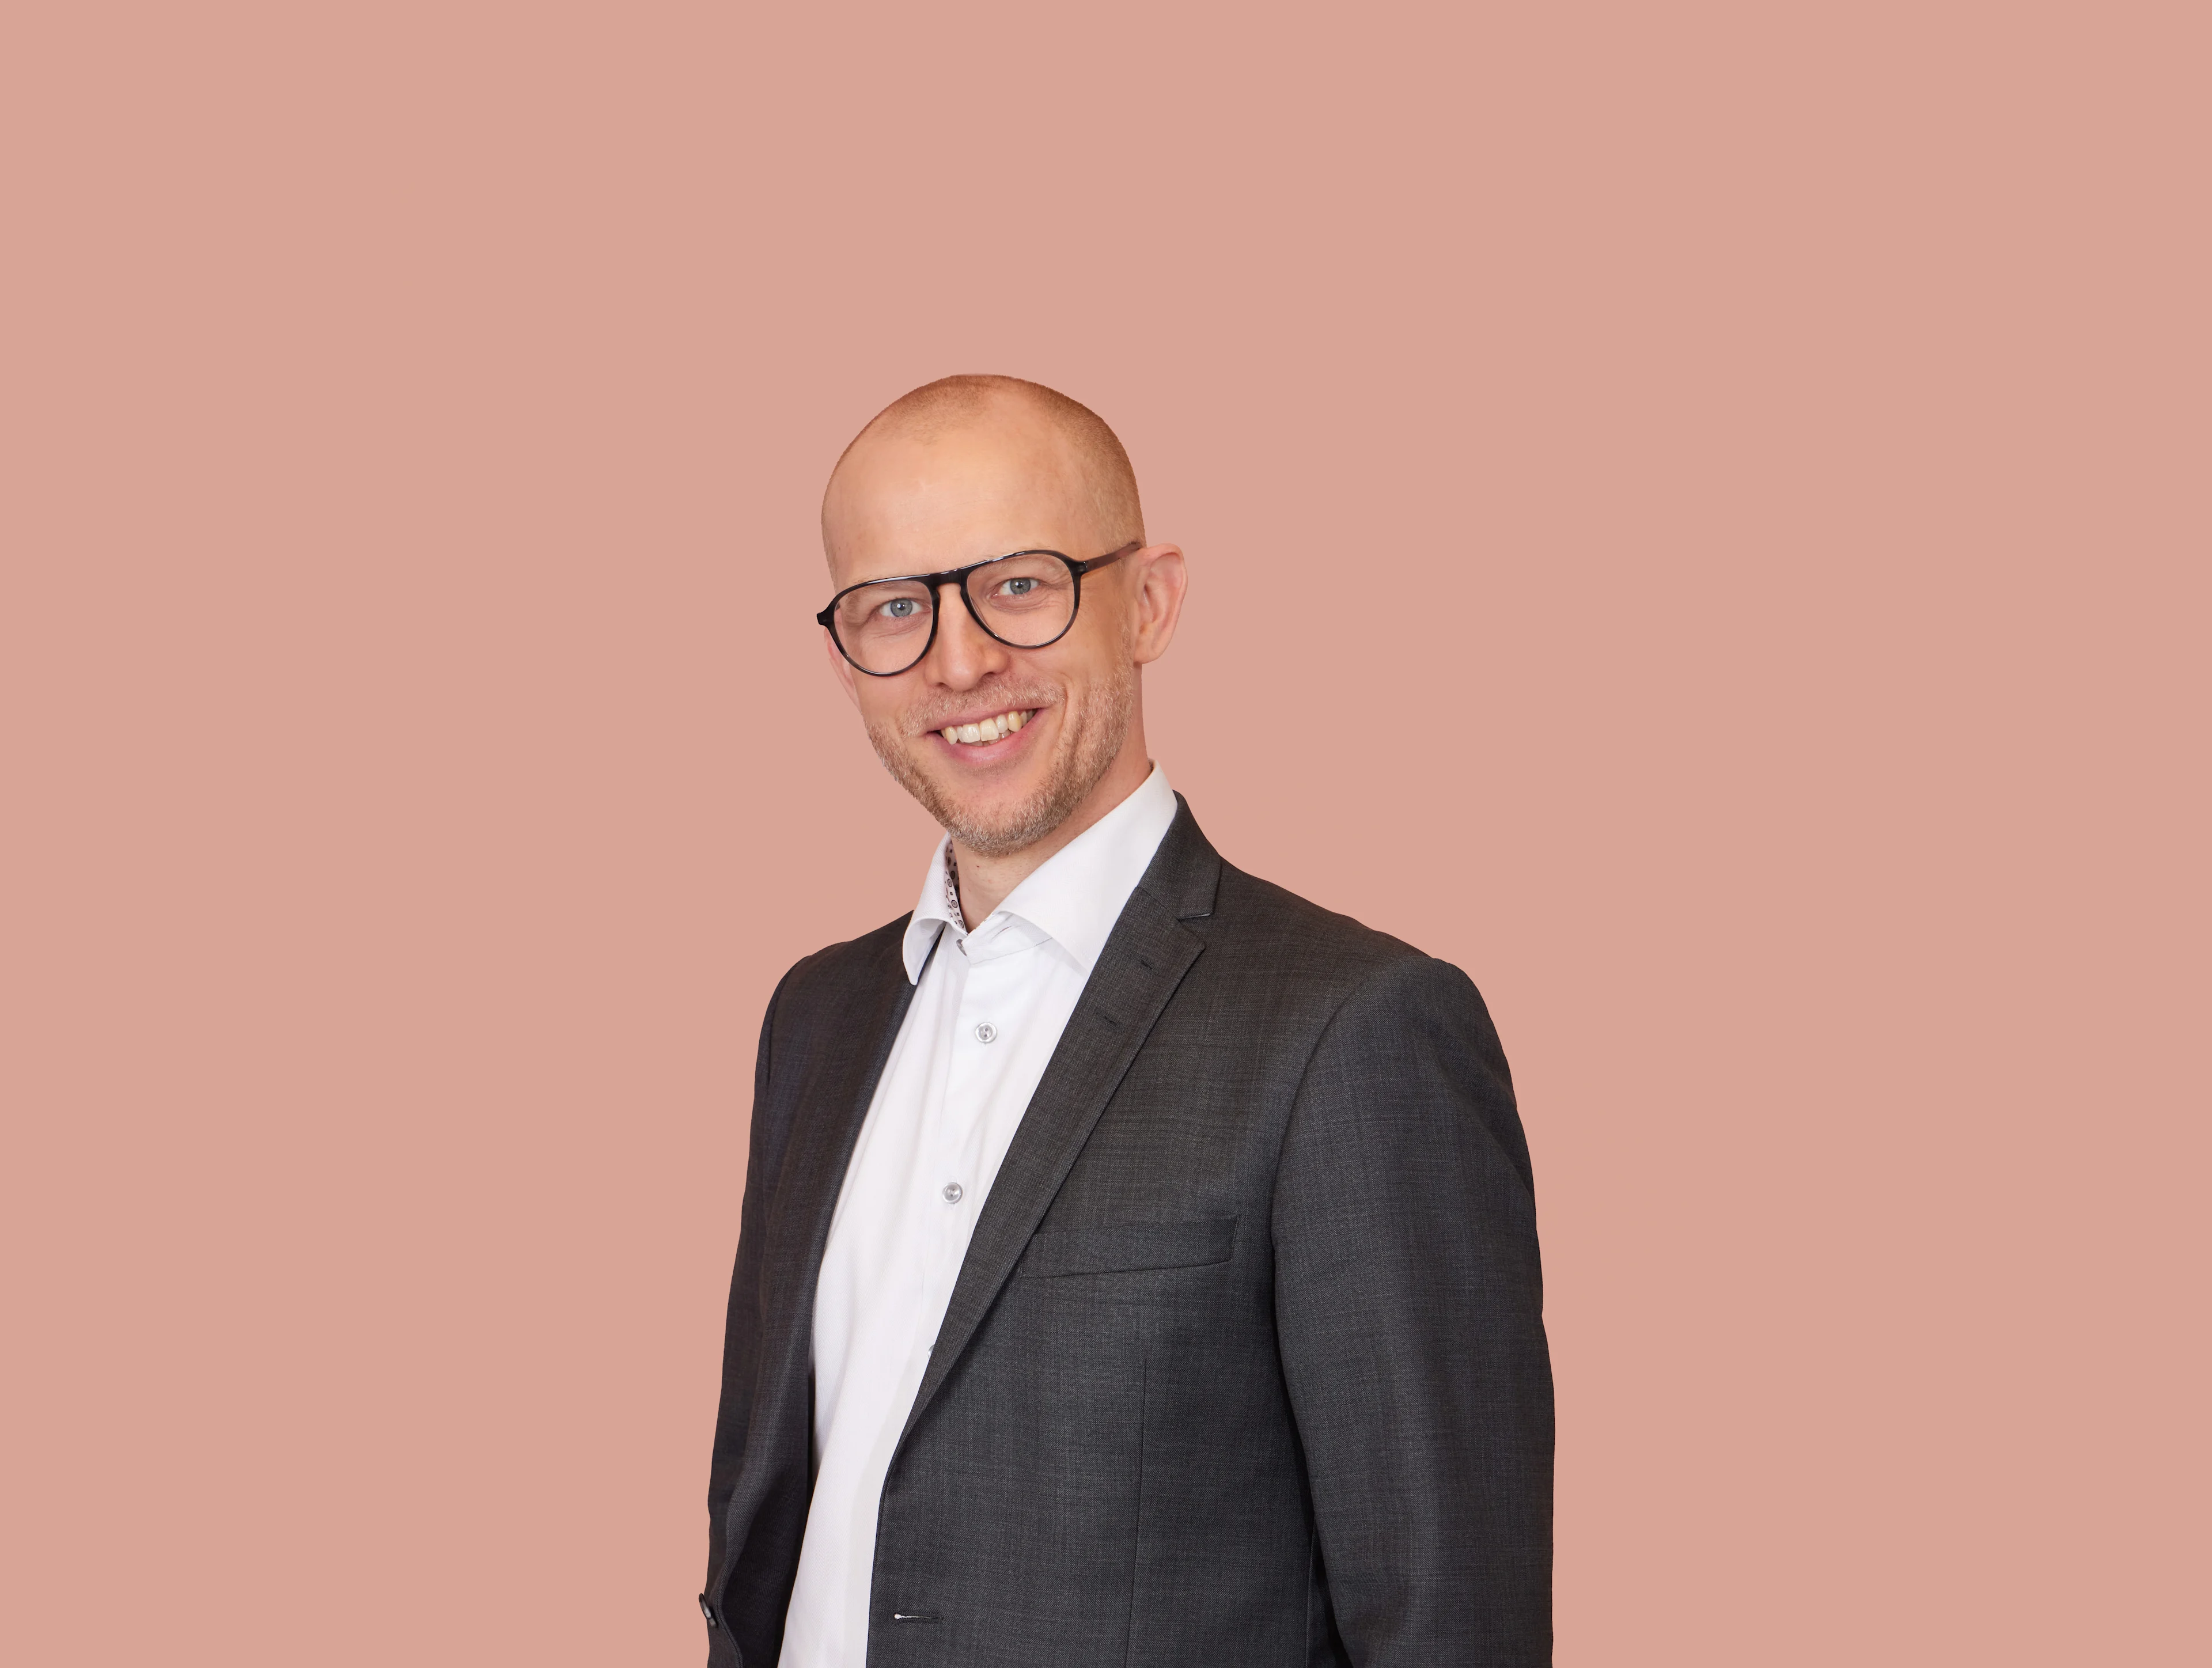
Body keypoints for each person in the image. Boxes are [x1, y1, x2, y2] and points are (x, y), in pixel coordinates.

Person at [702, 375, 1552, 1667]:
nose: (959, 661)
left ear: (1149, 601)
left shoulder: (1356, 1030)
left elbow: (1452, 1621)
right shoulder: (813, 1020)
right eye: (896, 606)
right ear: (842, 654)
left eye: (1020, 584)